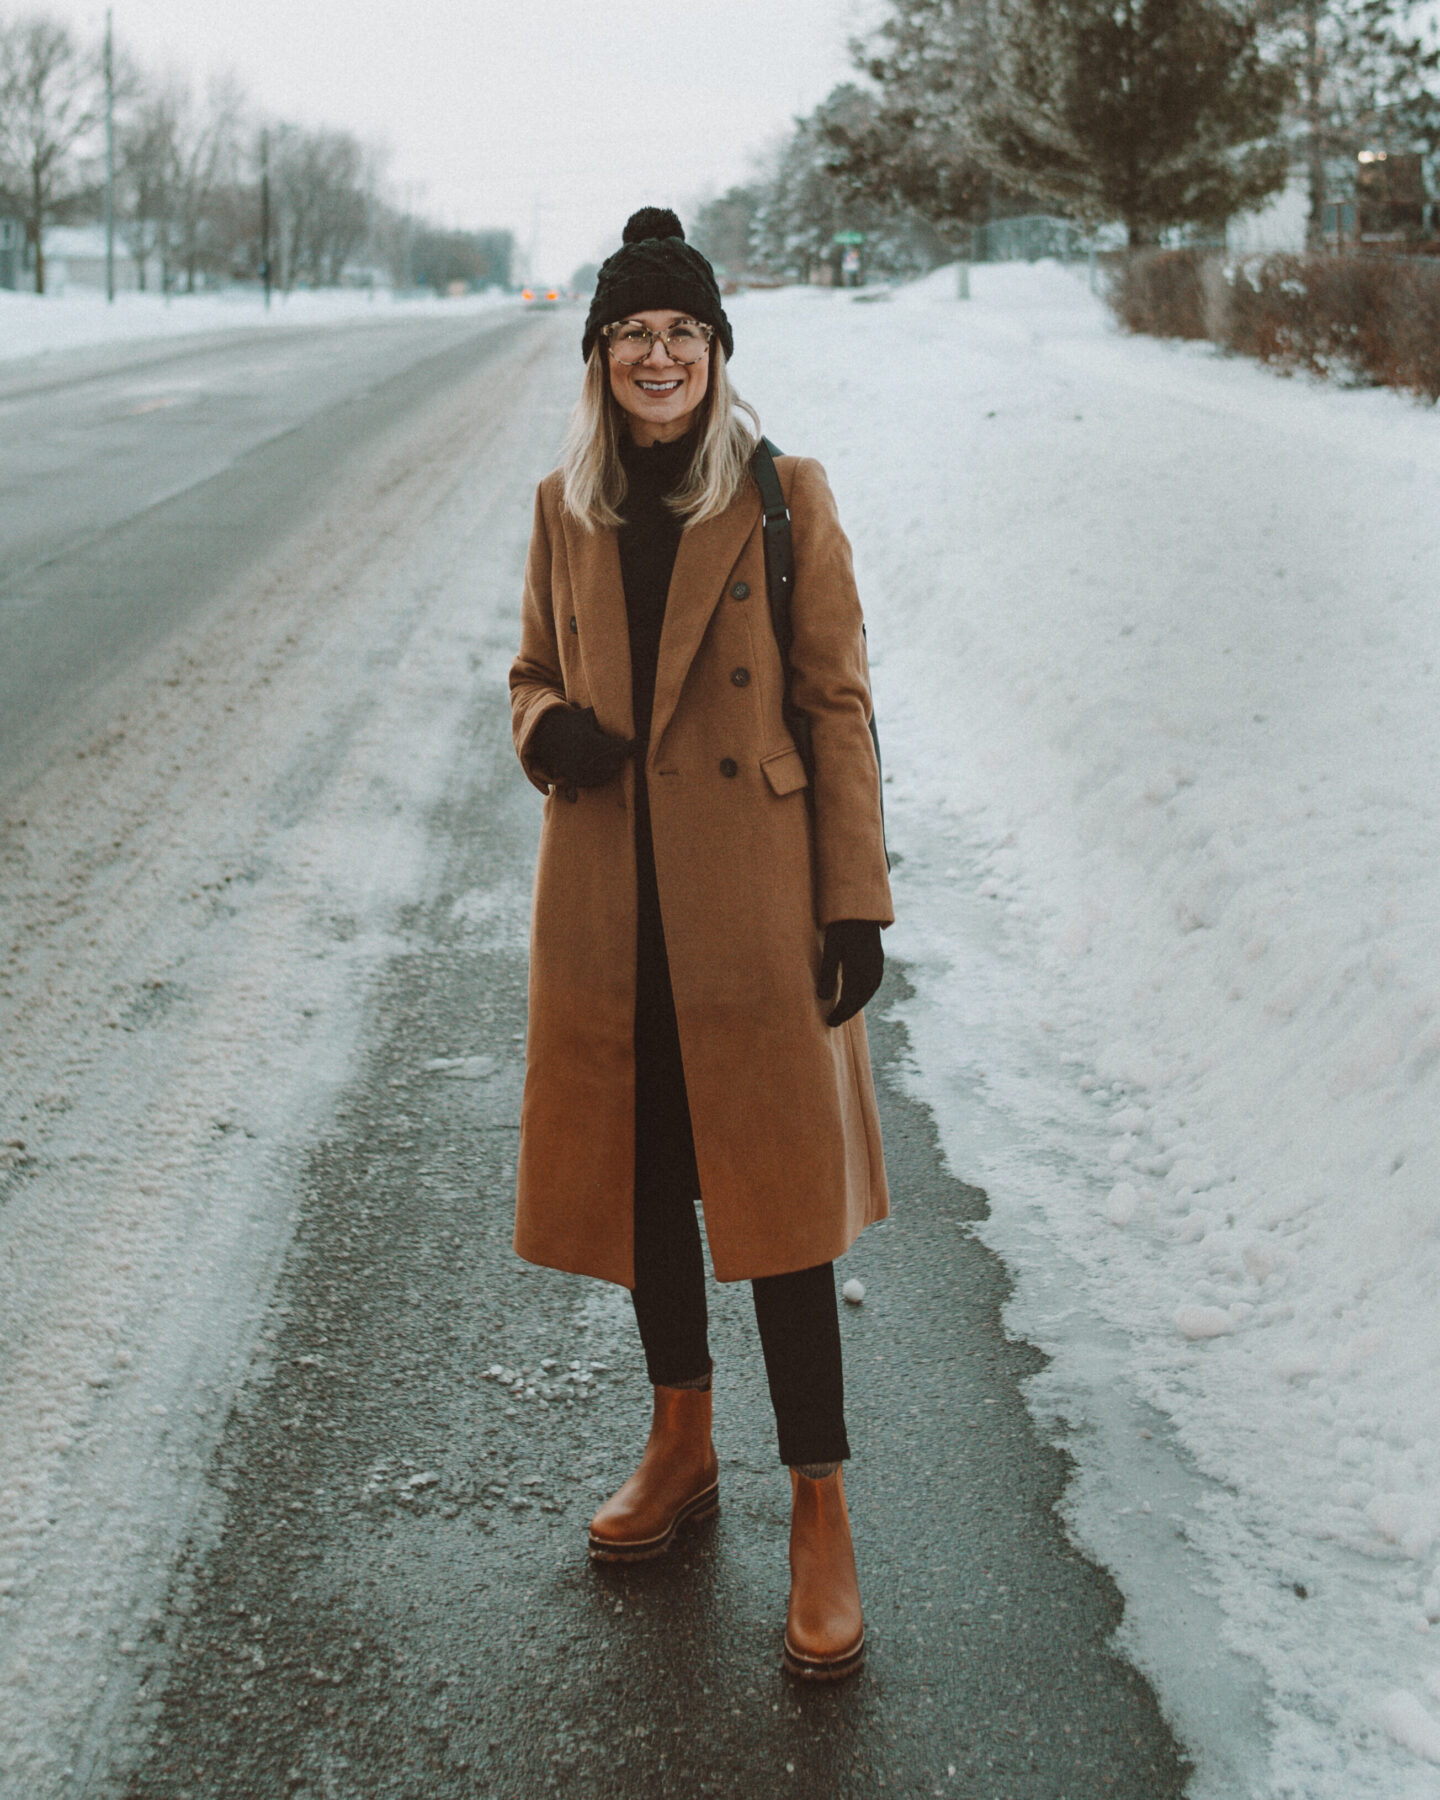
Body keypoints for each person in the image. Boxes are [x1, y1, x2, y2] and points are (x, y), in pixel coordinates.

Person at [509, 207, 892, 1680]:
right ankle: (680, 1439)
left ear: (716, 355)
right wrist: (549, 729)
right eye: (631, 337)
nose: (656, 357)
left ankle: (821, 1509)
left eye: (681, 335)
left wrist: (853, 896)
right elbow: (531, 665)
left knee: (784, 1220)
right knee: (647, 1181)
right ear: (602, 361)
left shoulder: (786, 494)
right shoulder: (567, 506)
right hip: (616, 900)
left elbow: (838, 706)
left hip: (750, 900)